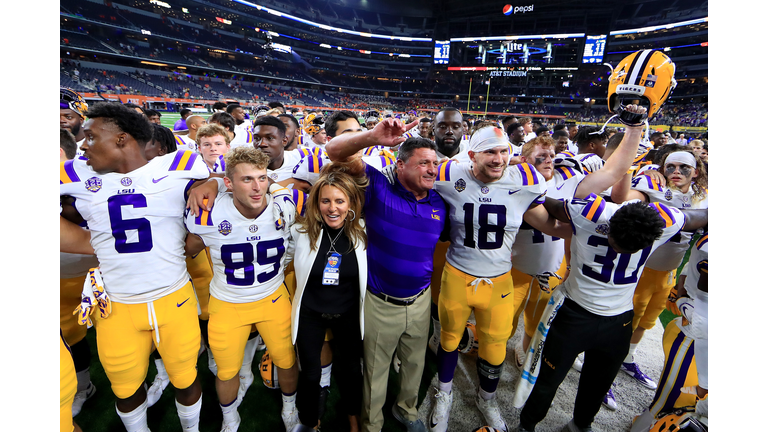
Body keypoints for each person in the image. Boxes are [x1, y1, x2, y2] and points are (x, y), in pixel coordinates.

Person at [60, 102, 209, 432]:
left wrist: (210, 183)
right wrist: (92, 240)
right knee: (125, 389)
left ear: (121, 139)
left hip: (174, 299)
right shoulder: (75, 172)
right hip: (117, 306)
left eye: (91, 136)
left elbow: (212, 180)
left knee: (186, 378)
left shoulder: (181, 164)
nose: (83, 144)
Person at [427, 126, 578, 432]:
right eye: (490, 152)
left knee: (495, 346)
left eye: (504, 152)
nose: (499, 159)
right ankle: (443, 393)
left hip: (499, 280)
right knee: (448, 340)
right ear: (472, 155)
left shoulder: (524, 179)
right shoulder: (447, 173)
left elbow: (546, 224)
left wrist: (587, 230)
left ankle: (487, 399)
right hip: (457, 274)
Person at [325, 119, 445, 432]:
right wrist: (371, 137)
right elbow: (334, 151)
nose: (432, 169)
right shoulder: (379, 189)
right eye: (424, 163)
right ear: (401, 165)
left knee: (415, 365)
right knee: (375, 373)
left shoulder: (440, 202)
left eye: (435, 163)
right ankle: (372, 424)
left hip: (421, 300)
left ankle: (406, 411)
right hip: (380, 302)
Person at [184, 147, 302, 432]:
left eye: (262, 178)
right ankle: (230, 418)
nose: (257, 186)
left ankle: (289, 408)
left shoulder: (283, 206)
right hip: (227, 303)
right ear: (229, 183)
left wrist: (272, 181)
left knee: (286, 361)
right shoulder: (208, 213)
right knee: (226, 371)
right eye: (247, 179)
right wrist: (208, 182)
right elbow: (188, 249)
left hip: (273, 299)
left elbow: (284, 193)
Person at [607, 149, 708, 402]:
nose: (676, 172)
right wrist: (641, 171)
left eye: (683, 167)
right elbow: (621, 197)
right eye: (670, 166)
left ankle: (627, 359)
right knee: (621, 322)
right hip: (640, 268)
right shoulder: (653, 185)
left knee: (646, 322)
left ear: (695, 172)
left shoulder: (703, 198)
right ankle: (603, 368)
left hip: (668, 272)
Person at [290, 165, 368, 431]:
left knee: (350, 371)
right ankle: (311, 420)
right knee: (310, 374)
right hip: (310, 313)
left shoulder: (363, 233)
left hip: (347, 314)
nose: (332, 208)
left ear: (351, 203)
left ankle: (352, 416)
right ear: (316, 203)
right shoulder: (300, 232)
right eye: (325, 200)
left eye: (339, 201)